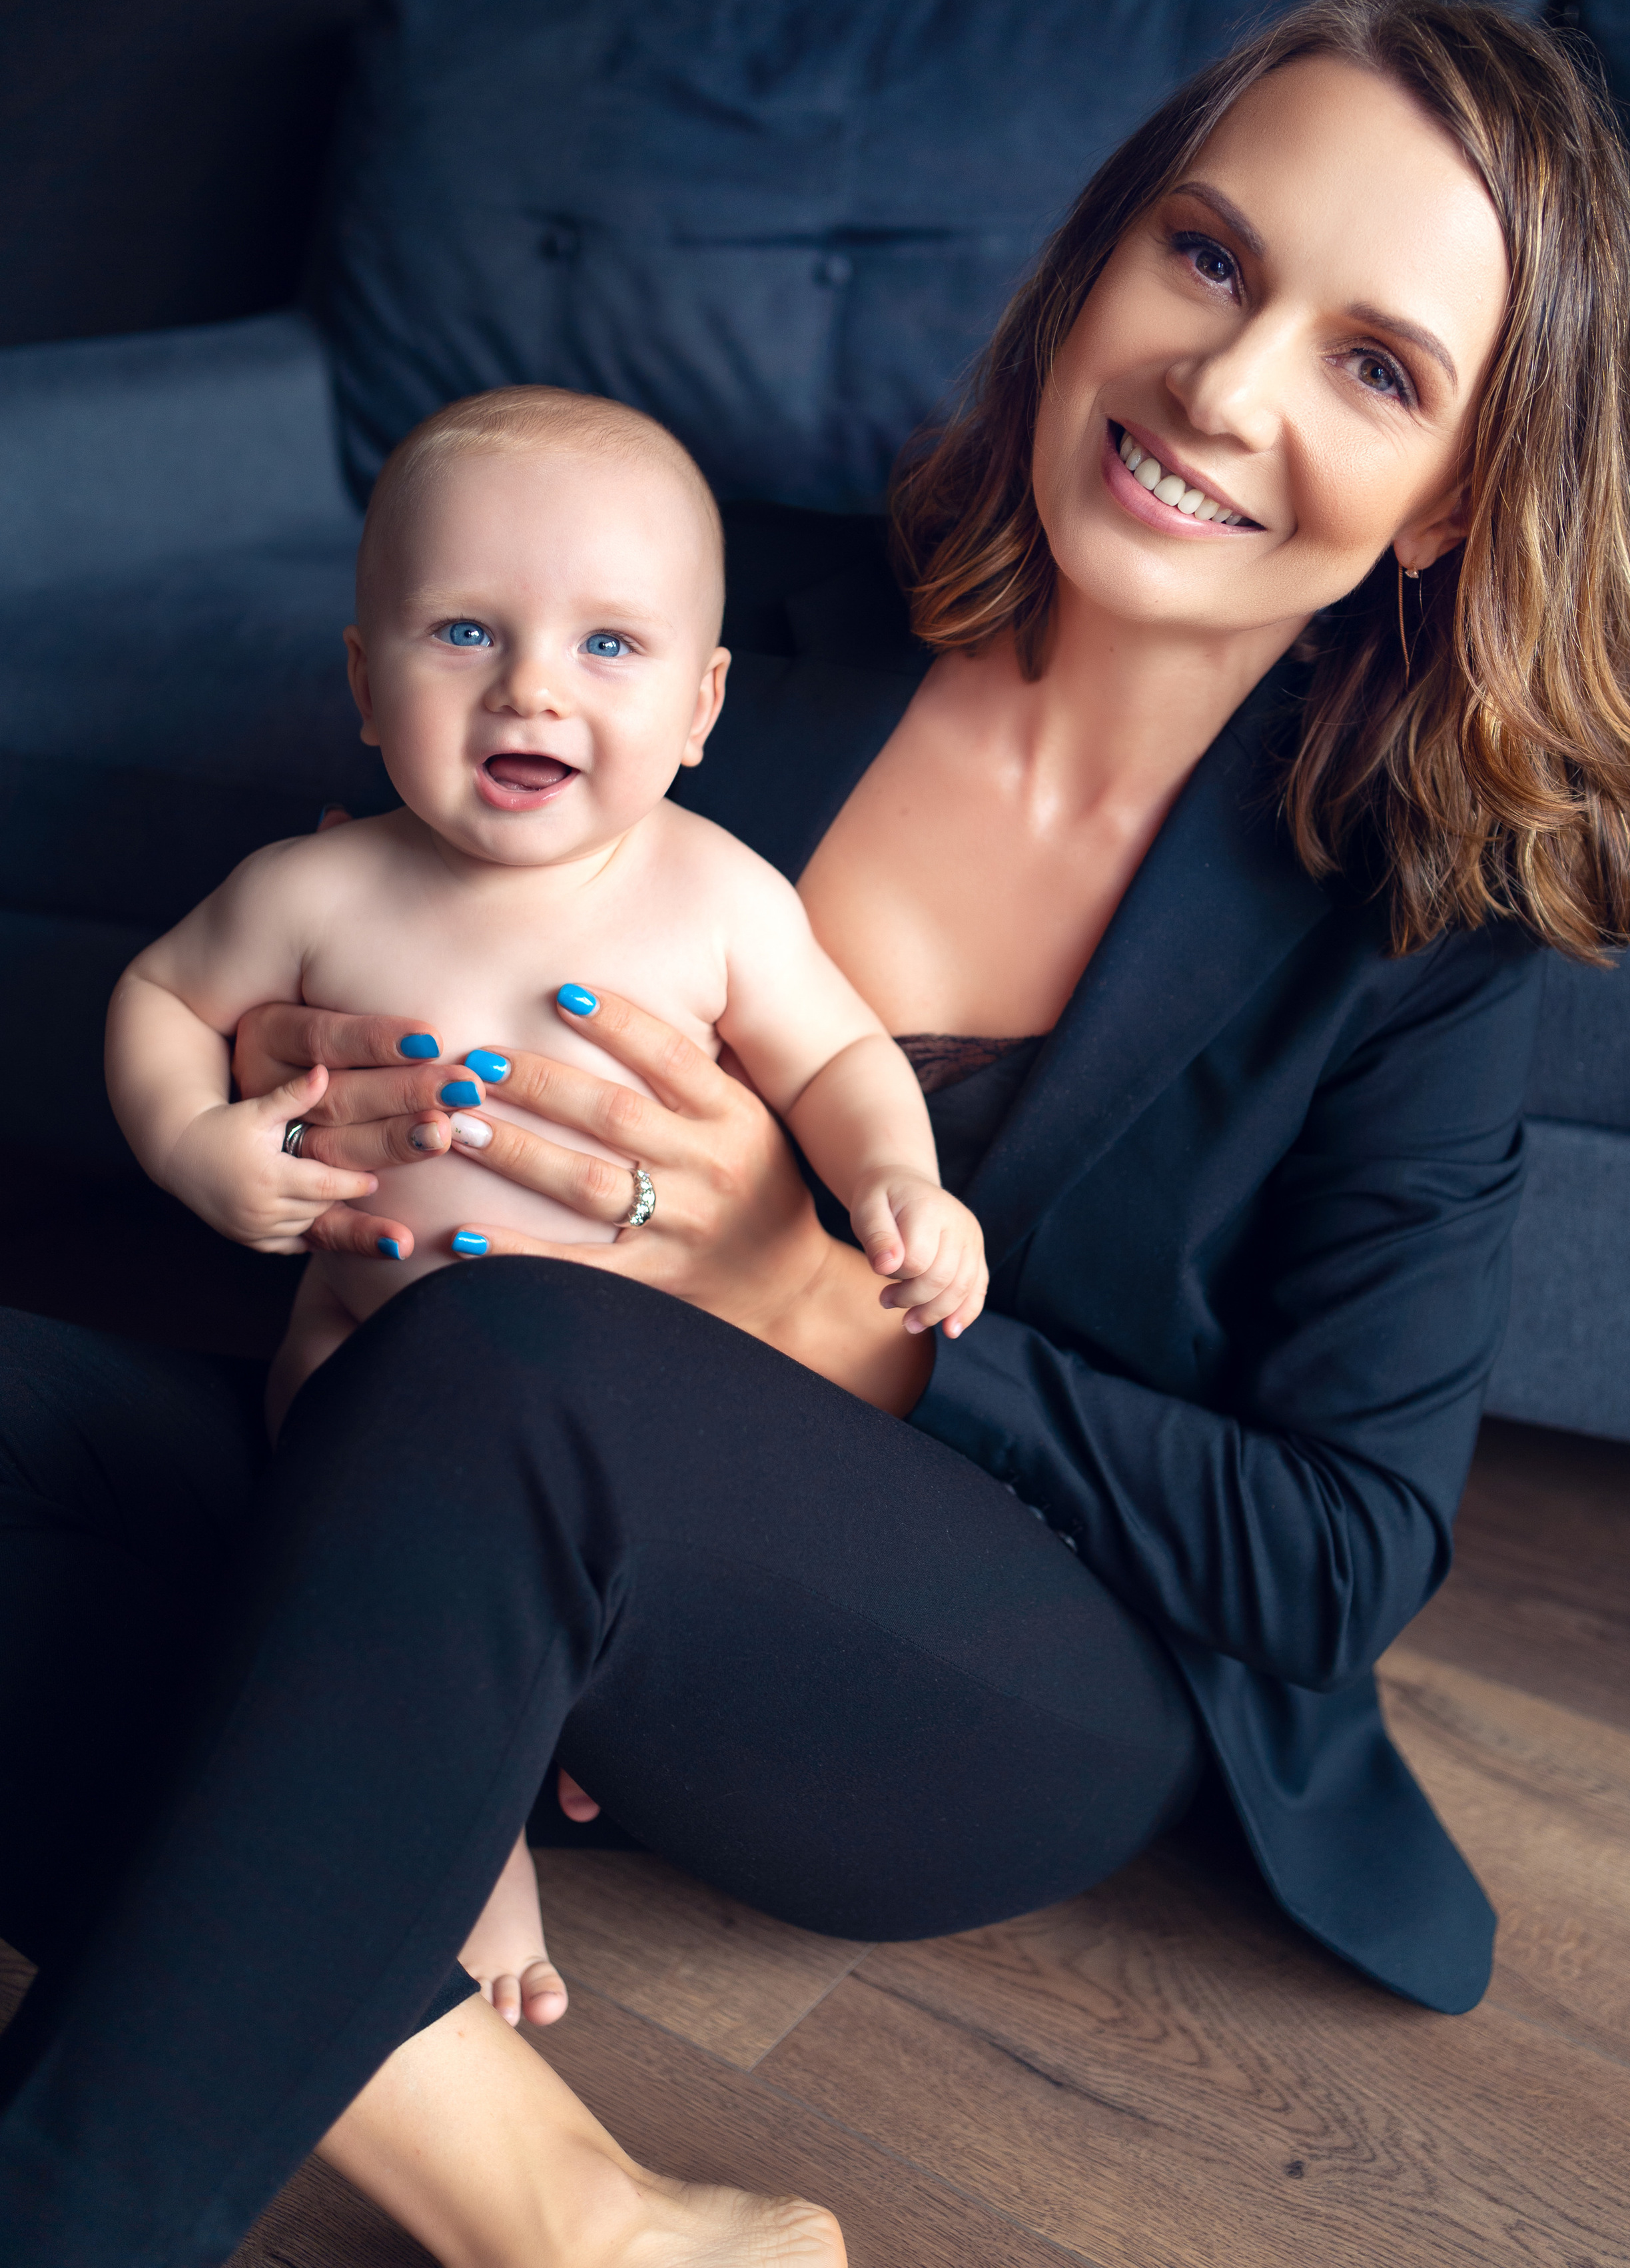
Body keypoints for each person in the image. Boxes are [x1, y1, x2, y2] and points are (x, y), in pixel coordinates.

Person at [0, 0, 1630, 2268]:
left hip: (1004, 1675)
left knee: (508, 1390)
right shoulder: (697, 621)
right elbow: (362, 946)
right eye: (1206, 256)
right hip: (472, 1505)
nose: (1224, 382)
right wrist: (320, 1081)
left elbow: (1333, 1562)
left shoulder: (1416, 936)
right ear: (1100, 259)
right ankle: (553, 2196)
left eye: (1375, 367)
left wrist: (835, 1308)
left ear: (1450, 504)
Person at [102, 380, 985, 2034]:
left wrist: (897, 1185)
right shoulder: (316, 890)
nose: (530, 686)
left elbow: (842, 1060)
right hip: (352, 1367)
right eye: (460, 632)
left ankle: (581, 1734)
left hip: (623, 1409)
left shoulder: (715, 895)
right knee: (348, 1586)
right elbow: (157, 995)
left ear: (704, 703)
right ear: (365, 683)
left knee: (587, 1580)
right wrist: (189, 1145)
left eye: (609, 647)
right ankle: (475, 1832)